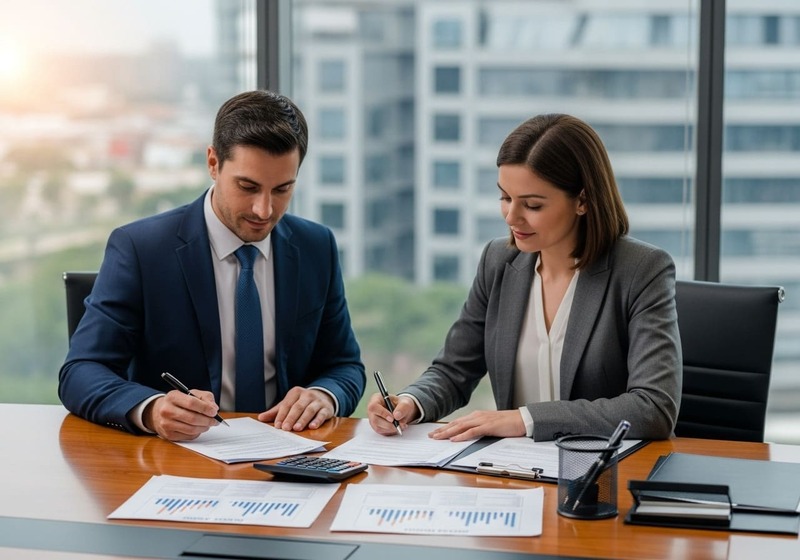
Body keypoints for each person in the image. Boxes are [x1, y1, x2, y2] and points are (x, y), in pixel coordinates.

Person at [59, 90, 366, 441]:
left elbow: (344, 366)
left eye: (282, 189)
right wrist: (153, 409)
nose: (264, 210)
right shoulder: (141, 249)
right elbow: (81, 371)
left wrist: (324, 395)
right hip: (177, 457)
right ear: (213, 163)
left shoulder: (316, 247)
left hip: (287, 453)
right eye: (247, 187)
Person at [367, 114, 681, 442]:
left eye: (532, 205)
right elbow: (454, 370)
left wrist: (525, 419)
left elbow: (653, 407)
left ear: (583, 201)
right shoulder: (498, 261)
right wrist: (410, 402)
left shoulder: (642, 270)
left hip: (598, 466)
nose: (511, 217)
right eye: (505, 198)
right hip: (511, 467)